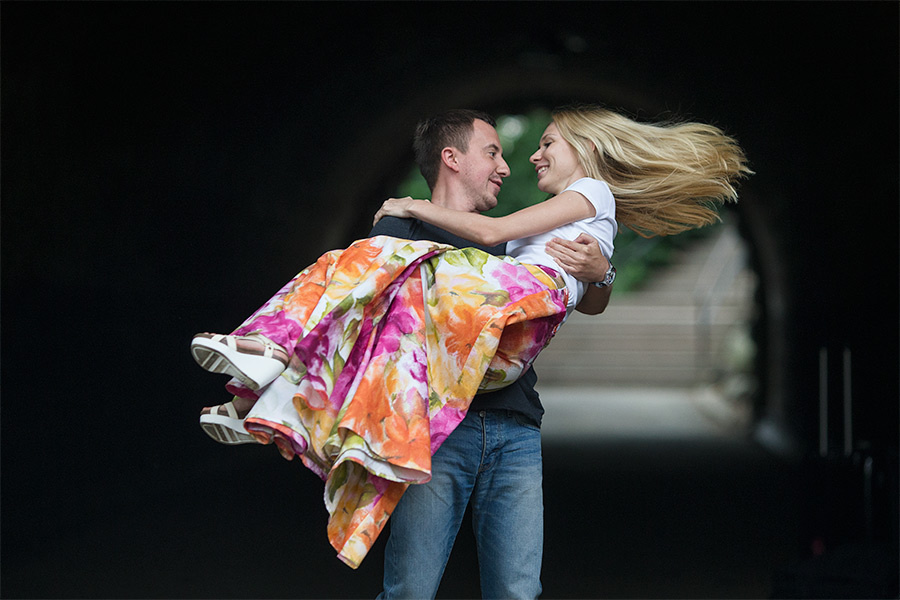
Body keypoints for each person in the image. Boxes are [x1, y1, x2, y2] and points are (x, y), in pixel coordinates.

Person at [190, 106, 749, 587]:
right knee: (365, 304)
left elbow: (494, 237)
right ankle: (256, 392)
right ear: (452, 158)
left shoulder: (543, 214)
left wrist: (412, 206)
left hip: (509, 397)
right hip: (454, 407)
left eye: (545, 144)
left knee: (356, 266)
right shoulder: (459, 238)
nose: (523, 161)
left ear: (585, 149)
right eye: (496, 152)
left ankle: (263, 356)